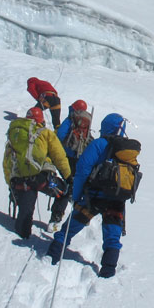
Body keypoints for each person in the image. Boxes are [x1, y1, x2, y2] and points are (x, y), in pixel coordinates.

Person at [46, 113, 135, 278]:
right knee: (112, 235)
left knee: (70, 227)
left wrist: (77, 193)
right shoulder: (127, 150)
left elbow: (83, 169)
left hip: (92, 196)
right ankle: (108, 271)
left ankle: (53, 254)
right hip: (116, 199)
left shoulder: (99, 144)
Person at [3, 107, 72, 239]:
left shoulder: (15, 134)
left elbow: (7, 161)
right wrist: (68, 177)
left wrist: (10, 183)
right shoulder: (45, 133)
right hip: (42, 179)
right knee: (64, 192)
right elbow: (59, 157)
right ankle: (55, 219)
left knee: (25, 218)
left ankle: (23, 233)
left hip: (20, 182)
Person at [50, 99, 92, 231]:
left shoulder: (70, 120)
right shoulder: (86, 121)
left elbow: (60, 135)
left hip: (67, 157)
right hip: (81, 158)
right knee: (80, 186)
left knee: (66, 186)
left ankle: (56, 218)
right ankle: (82, 216)